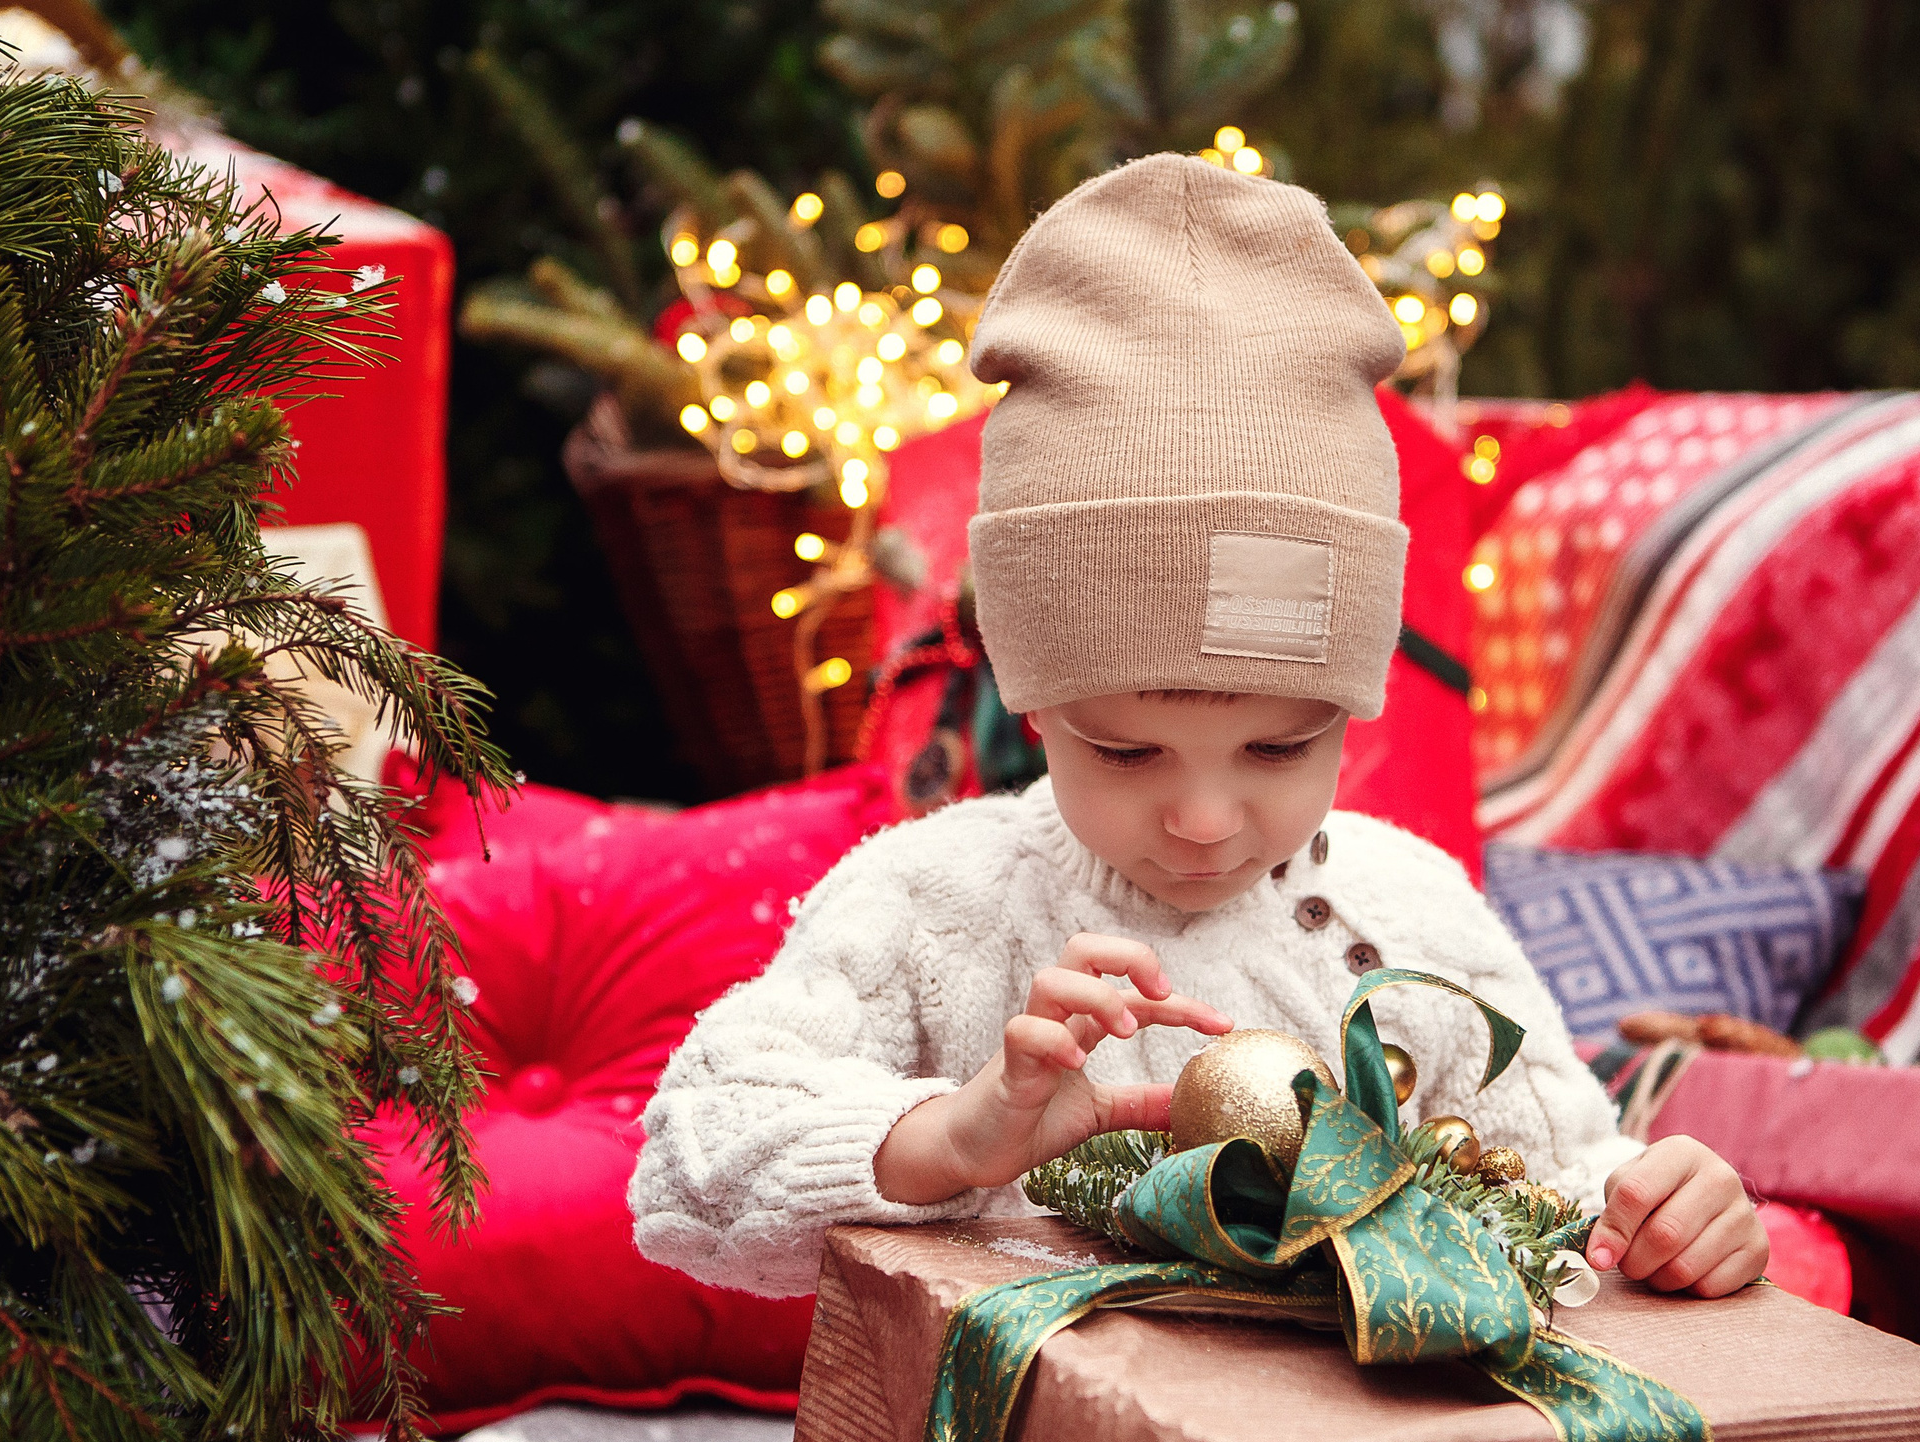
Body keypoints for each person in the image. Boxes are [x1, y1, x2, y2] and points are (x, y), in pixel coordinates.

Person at [630, 154, 1767, 1303]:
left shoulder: (1413, 915)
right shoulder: (936, 906)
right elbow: (691, 1168)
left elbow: (1565, 1187)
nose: (1204, 819)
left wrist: (1666, 1214)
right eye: (1124, 750)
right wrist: (953, 1139)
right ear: (1032, 703)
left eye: (1280, 747)